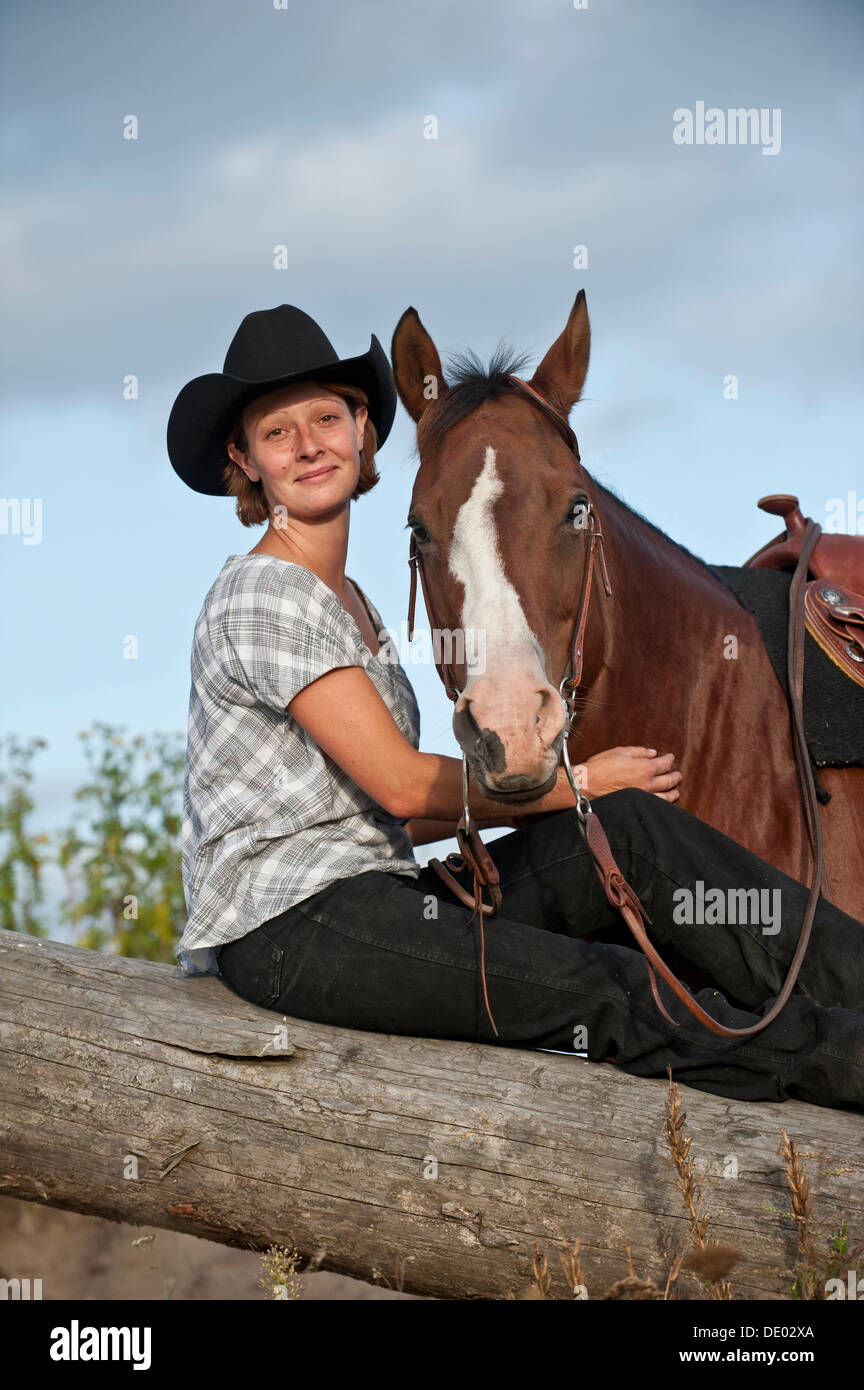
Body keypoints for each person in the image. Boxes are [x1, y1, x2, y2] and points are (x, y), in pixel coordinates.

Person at [167, 305, 864, 1112]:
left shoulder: (350, 603)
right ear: (244, 459)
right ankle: (844, 1066)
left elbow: (377, 814)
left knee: (631, 832)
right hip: (295, 929)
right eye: (278, 432)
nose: (310, 445)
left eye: (327, 417)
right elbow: (399, 788)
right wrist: (579, 782)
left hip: (382, 892)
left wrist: (598, 799)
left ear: (362, 429)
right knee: (607, 987)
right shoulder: (261, 594)